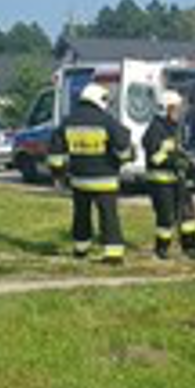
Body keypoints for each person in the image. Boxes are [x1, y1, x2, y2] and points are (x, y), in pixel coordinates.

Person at [48, 83, 133, 263]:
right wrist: (126, 158)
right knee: (108, 216)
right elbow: (123, 148)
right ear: (99, 99)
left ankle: (80, 249)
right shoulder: (106, 121)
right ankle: (113, 254)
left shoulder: (68, 121)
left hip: (79, 179)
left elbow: (55, 154)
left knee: (81, 215)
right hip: (105, 180)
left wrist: (58, 175)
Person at [143, 90, 195, 259]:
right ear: (165, 109)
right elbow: (154, 157)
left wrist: (187, 162)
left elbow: (176, 150)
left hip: (177, 179)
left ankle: (190, 244)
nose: (179, 113)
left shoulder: (173, 127)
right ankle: (162, 249)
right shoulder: (154, 130)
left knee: (187, 213)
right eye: (175, 109)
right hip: (161, 181)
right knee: (166, 217)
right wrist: (174, 162)